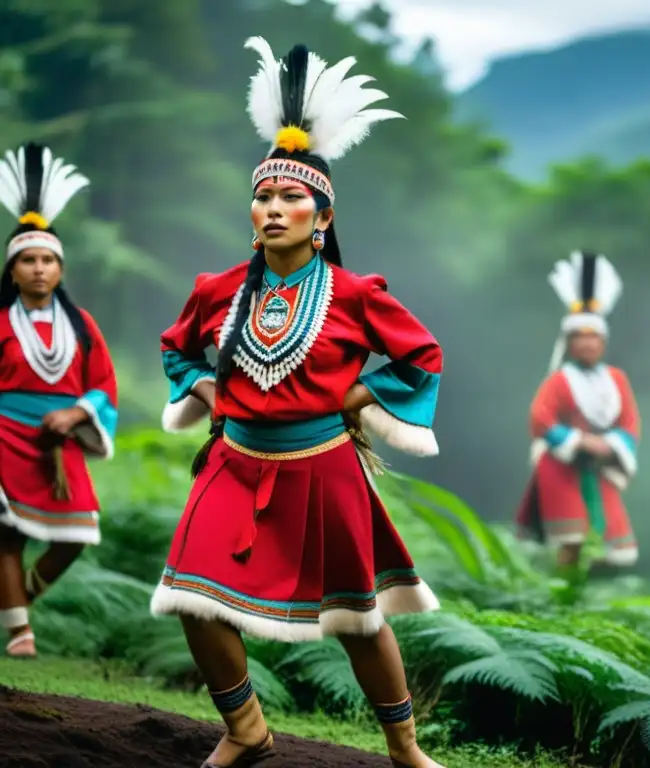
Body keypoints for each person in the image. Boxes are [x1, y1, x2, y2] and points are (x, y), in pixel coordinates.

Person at [150, 37, 444, 768]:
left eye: (291, 197)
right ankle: (246, 728)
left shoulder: (355, 295)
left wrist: (357, 394)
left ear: (323, 216)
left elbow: (422, 356)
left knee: (359, 619)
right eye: (264, 197)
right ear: (250, 212)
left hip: (324, 468)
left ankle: (405, 747)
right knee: (190, 596)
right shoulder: (218, 290)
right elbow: (175, 347)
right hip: (234, 461)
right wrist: (204, 386)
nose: (274, 207)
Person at [0, 143, 118, 659]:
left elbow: (105, 384)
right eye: (29, 259)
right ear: (13, 268)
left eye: (48, 259)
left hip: (59, 442)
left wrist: (75, 413)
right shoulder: (2, 322)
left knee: (75, 537)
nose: (40, 269)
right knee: (6, 535)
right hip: (4, 434)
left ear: (61, 268)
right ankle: (20, 633)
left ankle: (16, 599)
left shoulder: (82, 325)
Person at [515, 251, 640, 570]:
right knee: (570, 538)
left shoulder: (617, 380)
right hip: (562, 465)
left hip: (599, 466)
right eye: (580, 337)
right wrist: (579, 442)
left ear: (603, 342)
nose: (587, 344)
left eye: (593, 337)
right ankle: (560, 597)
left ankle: (579, 602)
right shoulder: (558, 381)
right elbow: (540, 419)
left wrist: (607, 446)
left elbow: (629, 423)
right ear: (569, 343)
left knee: (606, 543)